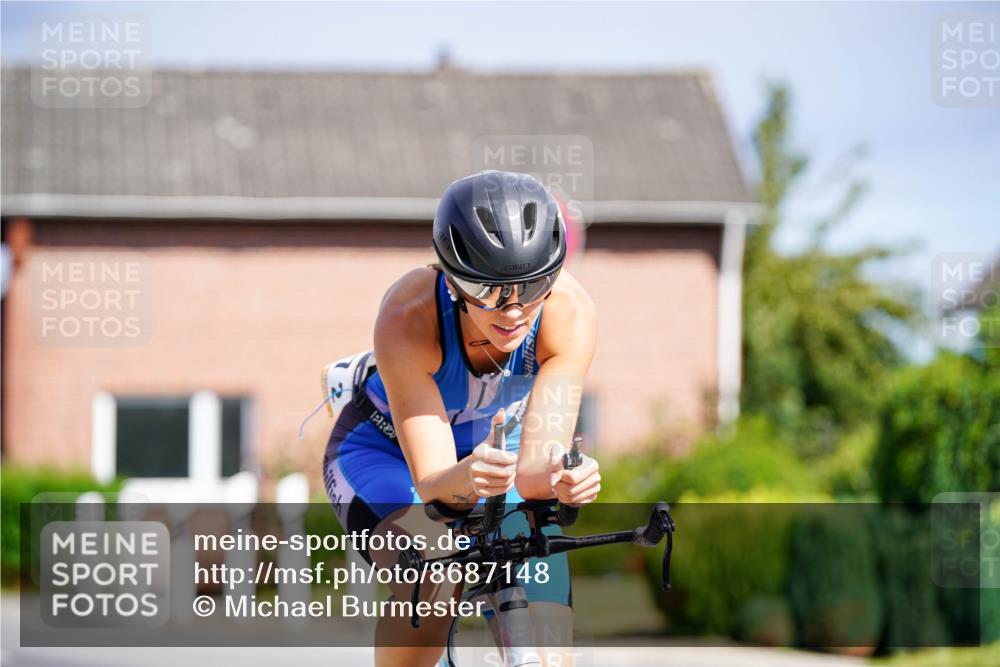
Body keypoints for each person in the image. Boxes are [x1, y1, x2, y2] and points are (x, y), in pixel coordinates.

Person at [322, 170, 600, 667]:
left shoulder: (569, 314)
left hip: (495, 458)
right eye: (487, 289)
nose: (513, 311)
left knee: (547, 629)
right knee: (437, 571)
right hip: (383, 453)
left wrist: (564, 475)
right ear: (451, 277)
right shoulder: (409, 315)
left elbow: (535, 473)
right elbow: (433, 485)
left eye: (533, 286)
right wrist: (469, 478)